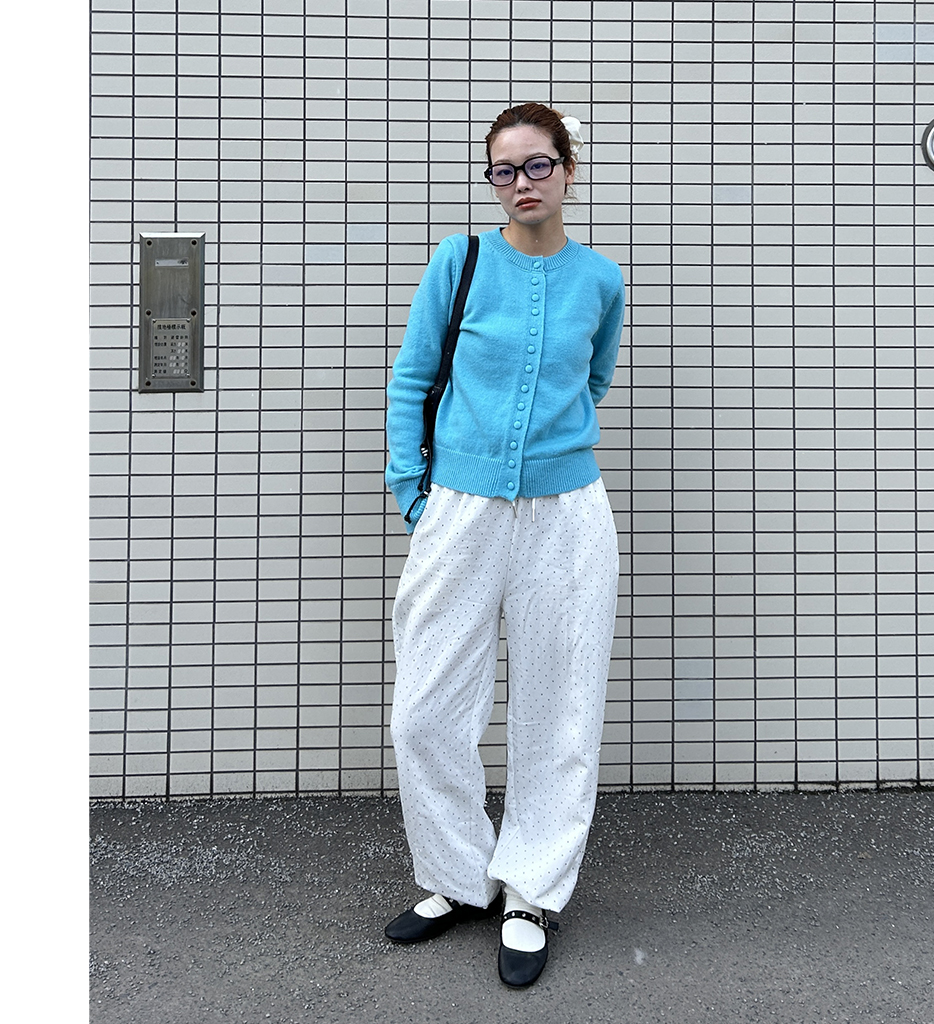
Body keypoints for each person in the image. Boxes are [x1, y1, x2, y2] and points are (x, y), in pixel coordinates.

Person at [382, 102, 625, 988]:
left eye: (537, 164)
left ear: (568, 169)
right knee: (425, 711)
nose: (521, 182)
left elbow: (593, 377)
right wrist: (414, 492)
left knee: (560, 711)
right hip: (460, 508)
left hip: (569, 513)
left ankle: (530, 893)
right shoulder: (461, 261)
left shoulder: (601, 279)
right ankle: (458, 876)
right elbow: (413, 376)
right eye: (504, 169)